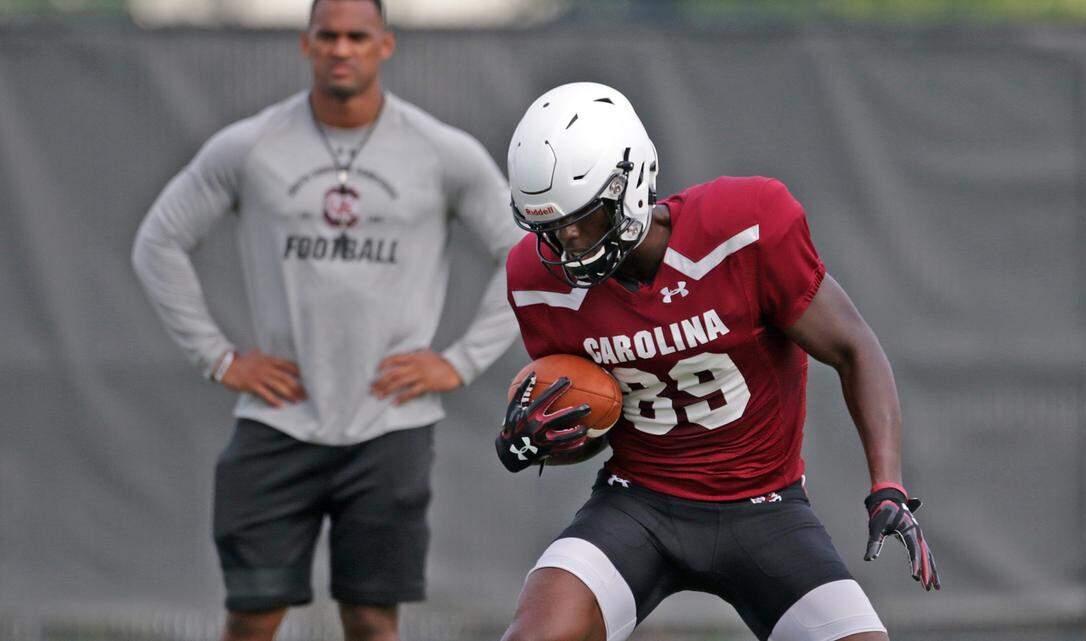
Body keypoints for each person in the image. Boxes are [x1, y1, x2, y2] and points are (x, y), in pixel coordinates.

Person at [131, 1, 522, 639]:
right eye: (329, 36)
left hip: (389, 423)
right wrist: (220, 357)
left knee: (372, 618)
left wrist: (461, 360)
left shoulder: (440, 152)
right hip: (279, 419)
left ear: (385, 46)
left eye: (357, 37)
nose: (343, 49)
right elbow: (158, 243)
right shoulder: (252, 146)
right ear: (306, 45)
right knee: (252, 617)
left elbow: (525, 252)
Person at [494, 82, 939, 641]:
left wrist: (888, 485)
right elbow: (594, 421)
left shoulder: (745, 227)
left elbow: (855, 348)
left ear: (631, 183)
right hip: (638, 506)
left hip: (766, 510)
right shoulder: (537, 282)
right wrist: (532, 442)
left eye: (586, 217)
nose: (570, 241)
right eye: (551, 227)